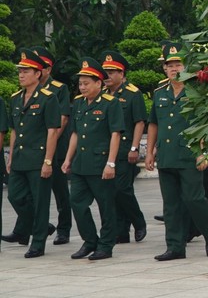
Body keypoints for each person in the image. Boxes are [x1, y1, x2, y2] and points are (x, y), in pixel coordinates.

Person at [145, 43, 208, 261]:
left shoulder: (196, 91)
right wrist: (149, 151)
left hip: (189, 154)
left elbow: (204, 123)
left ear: (185, 66)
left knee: (194, 199)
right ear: (164, 69)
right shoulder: (159, 93)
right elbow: (154, 124)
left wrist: (202, 152)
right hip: (167, 155)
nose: (174, 68)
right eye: (170, 65)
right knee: (171, 204)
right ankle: (175, 246)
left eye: (178, 64)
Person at [60, 57, 123, 260]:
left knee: (106, 206)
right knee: (76, 202)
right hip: (81, 163)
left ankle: (106, 245)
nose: (82, 87)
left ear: (98, 83)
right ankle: (89, 241)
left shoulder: (110, 103)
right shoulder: (78, 103)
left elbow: (115, 134)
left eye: (86, 83)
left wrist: (111, 163)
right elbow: (75, 134)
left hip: (100, 163)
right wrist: (68, 158)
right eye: (80, 83)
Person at [2, 48, 61, 257]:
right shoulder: (16, 98)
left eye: (26, 71)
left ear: (38, 74)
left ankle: (37, 243)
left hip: (38, 158)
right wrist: (10, 157)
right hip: (19, 158)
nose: (21, 74)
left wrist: (48, 161)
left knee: (40, 201)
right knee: (15, 197)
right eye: (20, 71)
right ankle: (41, 227)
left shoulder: (48, 98)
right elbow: (15, 130)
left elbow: (53, 131)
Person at [99, 50, 148, 245]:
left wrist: (135, 148)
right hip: (107, 150)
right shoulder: (102, 94)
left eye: (112, 72)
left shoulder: (132, 94)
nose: (107, 76)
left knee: (122, 189)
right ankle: (121, 231)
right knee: (111, 192)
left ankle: (139, 221)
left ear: (121, 73)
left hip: (126, 148)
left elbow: (139, 122)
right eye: (105, 72)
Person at [31, 46, 73, 247]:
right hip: (33, 149)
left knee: (60, 190)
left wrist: (51, 142)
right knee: (30, 191)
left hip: (55, 147)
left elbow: (63, 119)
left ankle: (64, 229)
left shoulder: (59, 88)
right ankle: (36, 225)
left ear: (48, 69)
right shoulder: (28, 91)